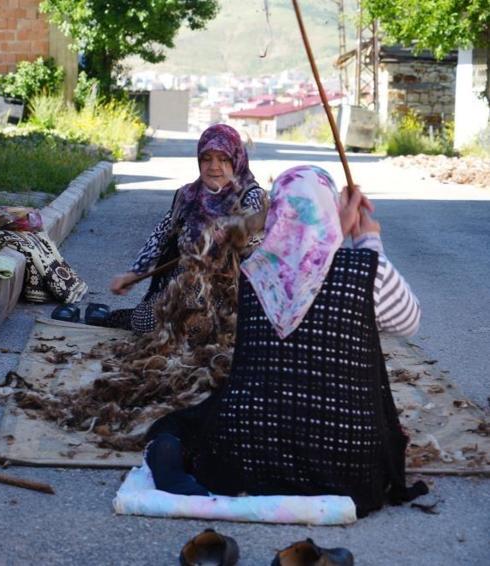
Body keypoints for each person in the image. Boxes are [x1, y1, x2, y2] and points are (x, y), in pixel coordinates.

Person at [144, 165, 427, 517]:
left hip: (251, 454)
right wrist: (368, 240)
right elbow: (408, 320)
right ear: (328, 210)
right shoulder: (364, 270)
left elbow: (304, 264)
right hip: (348, 466)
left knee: (194, 420)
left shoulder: (253, 273)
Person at [107, 124, 267, 334]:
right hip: (185, 286)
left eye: (223, 159)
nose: (214, 166)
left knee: (224, 330)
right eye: (207, 158)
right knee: (144, 322)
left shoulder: (252, 196)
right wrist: (134, 273)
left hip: (232, 292)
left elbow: (258, 237)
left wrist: (234, 234)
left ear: (236, 160)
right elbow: (160, 236)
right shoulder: (187, 196)